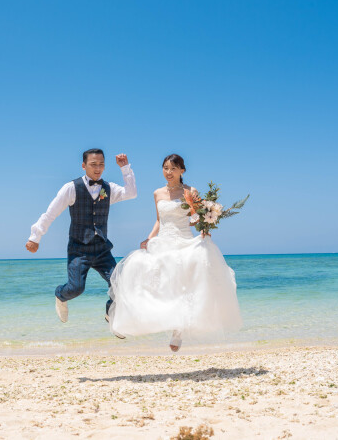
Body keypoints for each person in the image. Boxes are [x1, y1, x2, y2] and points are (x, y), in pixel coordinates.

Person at [107, 154, 242, 351]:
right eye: (165, 168)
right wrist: (149, 238)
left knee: (186, 277)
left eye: (173, 169)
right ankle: (156, 320)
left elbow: (199, 217)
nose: (168, 173)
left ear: (182, 171)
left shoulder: (190, 191)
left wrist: (205, 230)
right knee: (141, 269)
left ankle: (178, 331)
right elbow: (159, 221)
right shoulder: (157, 193)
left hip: (185, 240)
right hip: (163, 240)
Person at [26, 149, 137, 325]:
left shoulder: (109, 188)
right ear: (84, 165)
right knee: (76, 288)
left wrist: (125, 169)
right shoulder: (71, 188)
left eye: (101, 164)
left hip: (102, 249)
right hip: (79, 249)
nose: (98, 168)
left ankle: (111, 313)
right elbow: (50, 213)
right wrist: (35, 236)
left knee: (120, 284)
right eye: (93, 164)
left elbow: (131, 193)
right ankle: (60, 295)